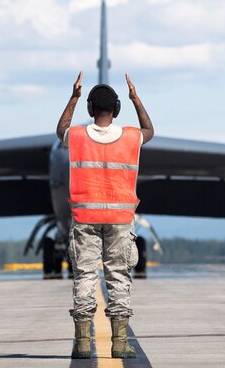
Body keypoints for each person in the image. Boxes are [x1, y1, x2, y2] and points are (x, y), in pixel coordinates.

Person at [56, 72, 154, 359]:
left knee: (84, 276)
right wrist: (136, 98)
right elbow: (149, 129)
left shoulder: (76, 137)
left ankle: (83, 344)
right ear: (117, 109)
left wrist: (72, 98)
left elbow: (60, 128)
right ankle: (120, 343)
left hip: (85, 219)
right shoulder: (131, 138)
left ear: (89, 110)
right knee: (118, 276)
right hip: (120, 220)